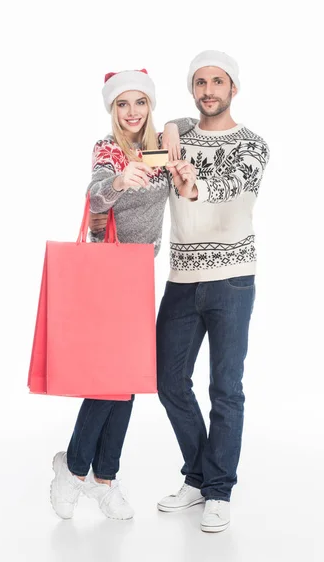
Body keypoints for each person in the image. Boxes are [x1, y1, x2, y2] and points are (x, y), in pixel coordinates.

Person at [154, 50, 270, 533]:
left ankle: (218, 489)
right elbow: (164, 132)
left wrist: (191, 184)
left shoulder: (253, 145)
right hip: (182, 278)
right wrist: (171, 138)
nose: (208, 90)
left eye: (217, 82)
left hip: (232, 278)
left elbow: (227, 184)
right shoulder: (174, 140)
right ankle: (199, 476)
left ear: (233, 89)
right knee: (169, 383)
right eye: (200, 82)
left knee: (226, 389)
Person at [51, 68, 174, 522]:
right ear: (112, 109)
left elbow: (183, 139)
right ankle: (76, 468)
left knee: (129, 378)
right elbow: (96, 193)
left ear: (150, 106)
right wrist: (119, 181)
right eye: (122, 104)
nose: (131, 112)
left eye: (139, 102)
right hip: (108, 272)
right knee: (112, 377)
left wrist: (177, 158)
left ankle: (103, 477)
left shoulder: (162, 144)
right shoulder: (108, 150)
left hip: (142, 270)